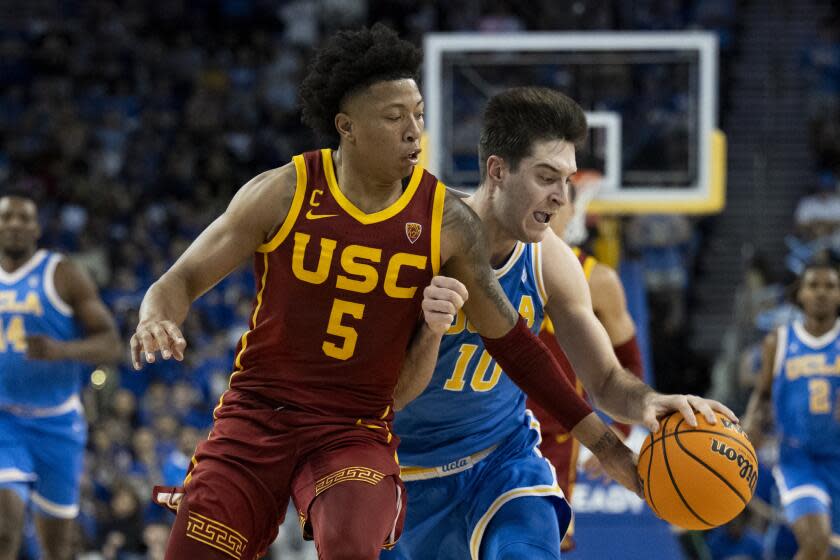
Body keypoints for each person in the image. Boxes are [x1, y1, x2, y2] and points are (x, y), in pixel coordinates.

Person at [131, 26, 641, 560]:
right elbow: (179, 280)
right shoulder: (283, 192)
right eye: (395, 117)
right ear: (346, 127)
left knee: (354, 545)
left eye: (418, 114)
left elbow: (514, 344)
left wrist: (605, 444)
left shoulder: (447, 220)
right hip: (259, 411)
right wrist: (154, 317)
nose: (414, 131)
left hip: (354, 428)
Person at [384, 87, 736, 560]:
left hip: (503, 464)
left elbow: (607, 379)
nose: (561, 197)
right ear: (497, 170)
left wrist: (650, 402)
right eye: (546, 177)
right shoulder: (414, 241)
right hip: (404, 470)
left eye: (567, 181)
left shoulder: (552, 259)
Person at [0, 191, 122, 560]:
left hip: (57, 423)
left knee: (57, 548)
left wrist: (61, 351)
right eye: (7, 217)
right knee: (4, 527)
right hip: (4, 420)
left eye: (24, 219)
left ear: (36, 228)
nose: (15, 225)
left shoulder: (62, 273)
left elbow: (111, 344)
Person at [527, 179, 645, 552]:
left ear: (574, 211)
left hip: (556, 438)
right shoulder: (493, 264)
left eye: (558, 201)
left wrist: (623, 429)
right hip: (489, 428)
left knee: (543, 542)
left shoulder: (598, 279)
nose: (547, 209)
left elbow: (628, 362)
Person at [744, 262, 840, 560]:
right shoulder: (779, 340)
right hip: (797, 458)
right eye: (813, 285)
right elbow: (762, 397)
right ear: (800, 295)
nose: (821, 293)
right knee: (815, 542)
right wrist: (749, 431)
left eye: (830, 286)